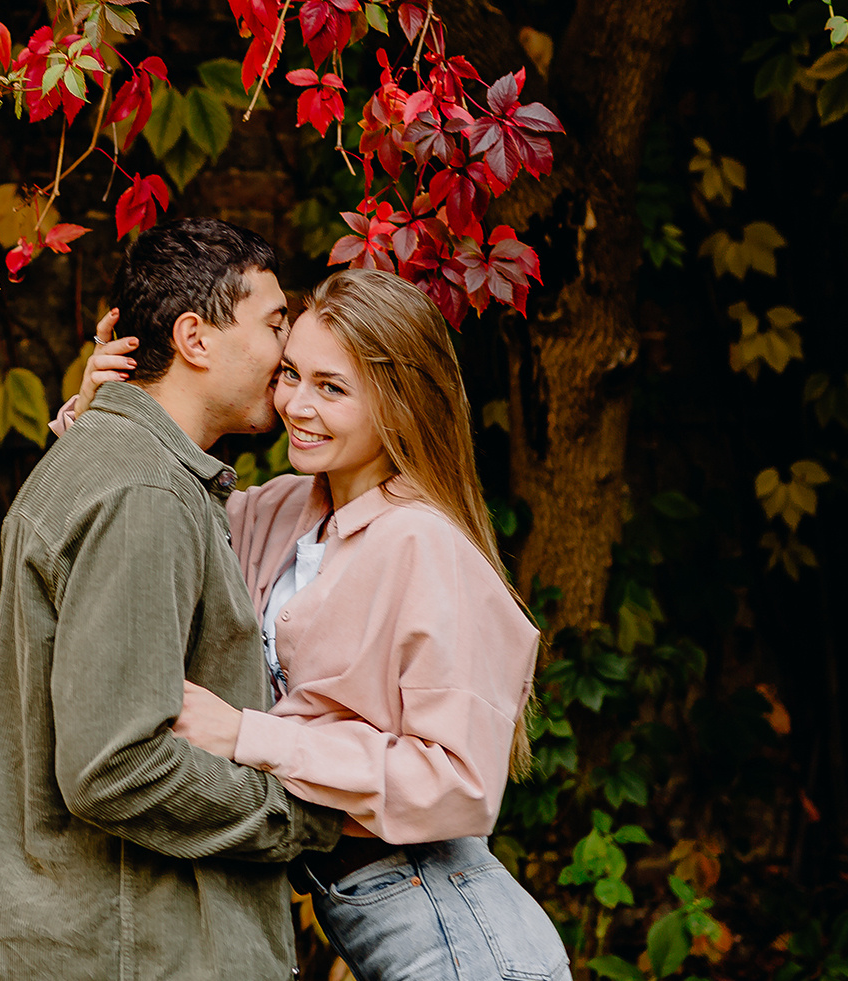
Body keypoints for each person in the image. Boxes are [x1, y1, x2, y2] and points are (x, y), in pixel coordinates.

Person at [60, 267, 570, 981]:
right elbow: (144, 525)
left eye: (332, 388)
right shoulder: (280, 509)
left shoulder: (427, 545)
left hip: (460, 939)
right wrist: (100, 419)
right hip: (372, 922)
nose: (298, 404)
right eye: (291, 374)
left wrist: (249, 736)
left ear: (397, 403)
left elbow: (460, 782)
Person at [0, 217, 344, 981]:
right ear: (195, 338)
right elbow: (117, 762)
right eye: (274, 326)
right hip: (132, 950)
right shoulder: (144, 490)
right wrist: (294, 811)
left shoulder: (115, 463)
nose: (287, 355)